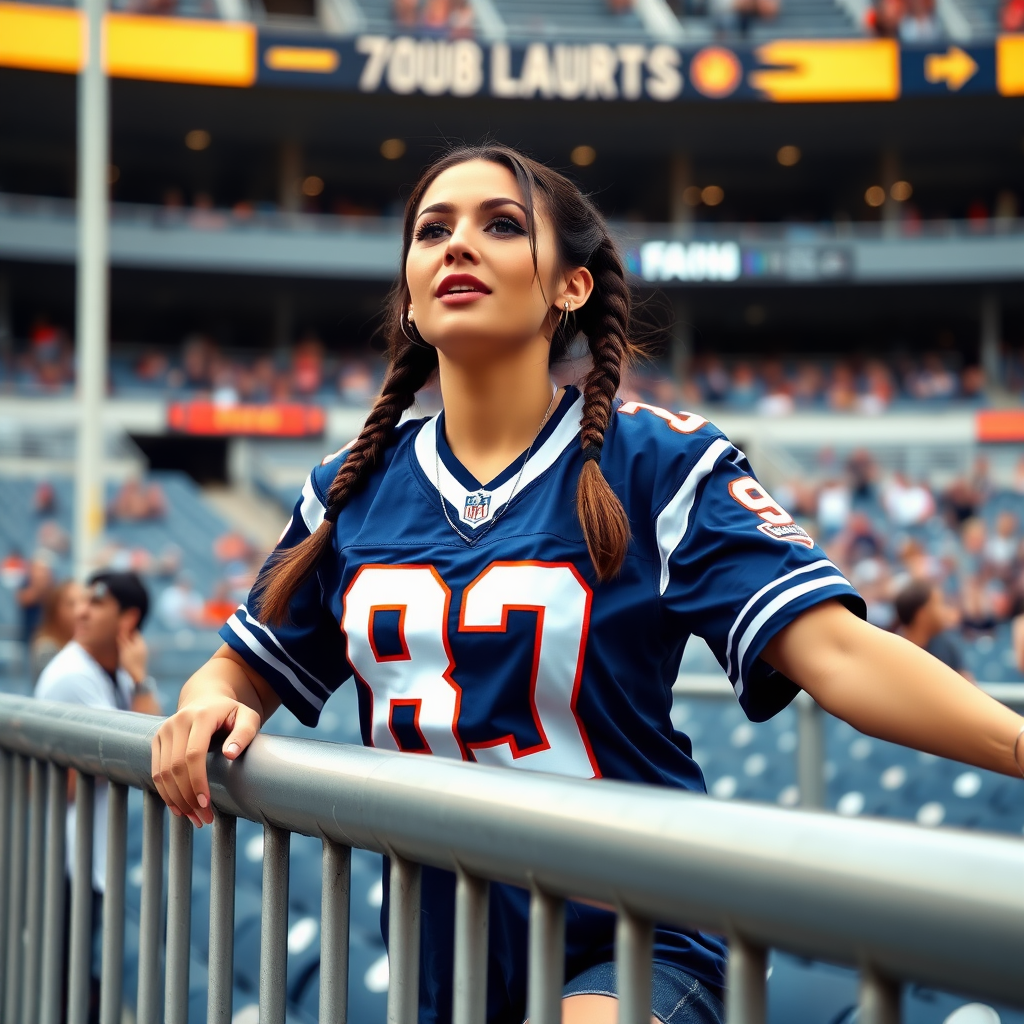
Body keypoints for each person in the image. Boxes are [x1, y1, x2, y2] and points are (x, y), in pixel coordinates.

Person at [152, 144, 1024, 1024]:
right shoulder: (349, 490)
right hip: (441, 951)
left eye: (500, 224)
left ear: (570, 286)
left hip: (634, 926)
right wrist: (207, 700)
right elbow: (239, 669)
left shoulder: (659, 463)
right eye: (432, 230)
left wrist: (1019, 746)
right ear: (410, 296)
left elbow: (838, 653)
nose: (459, 245)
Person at [36, 572, 161, 1024]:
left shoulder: (113, 672)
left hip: (89, 852)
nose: (81, 611)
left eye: (96, 603)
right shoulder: (73, 674)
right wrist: (143, 681)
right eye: (80, 602)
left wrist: (138, 681)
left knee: (82, 977)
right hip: (68, 856)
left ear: (128, 619)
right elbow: (152, 753)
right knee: (68, 983)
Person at [894, 578, 974, 683]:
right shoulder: (895, 652)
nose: (945, 610)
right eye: (939, 604)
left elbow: (969, 688)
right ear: (922, 614)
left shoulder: (947, 644)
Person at [30, 578, 82, 681]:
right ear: (56, 610)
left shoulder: (77, 642)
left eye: (83, 602)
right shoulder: (46, 649)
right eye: (71, 604)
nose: (79, 611)